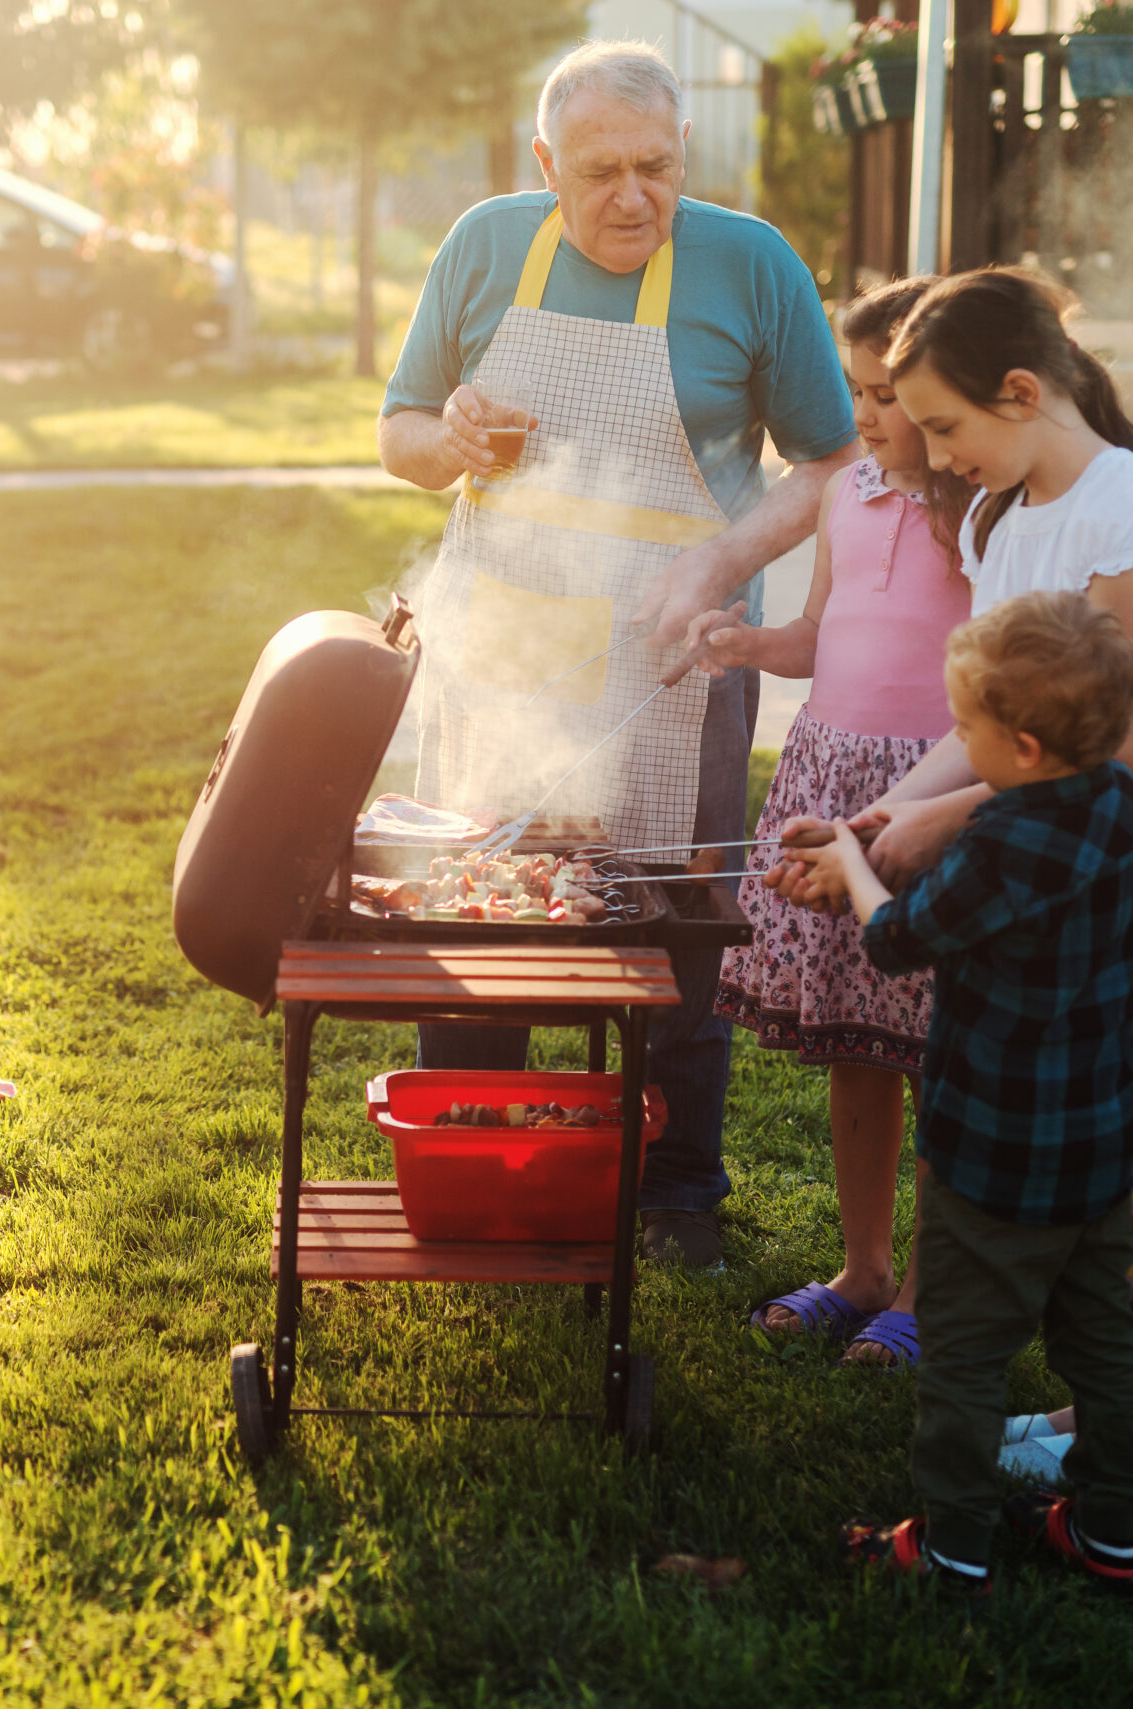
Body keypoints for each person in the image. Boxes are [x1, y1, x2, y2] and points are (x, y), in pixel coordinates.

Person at [377, 37, 861, 1268]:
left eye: (655, 166)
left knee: (675, 910)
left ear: (683, 152)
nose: (632, 197)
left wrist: (719, 562)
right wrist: (452, 439)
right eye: (599, 173)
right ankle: (479, 1146)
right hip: (504, 643)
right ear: (546, 164)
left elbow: (832, 462)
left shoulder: (750, 266)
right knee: (480, 892)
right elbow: (399, 430)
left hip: (673, 650)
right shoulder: (487, 244)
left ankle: (678, 1181)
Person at [842, 267, 1133, 1489]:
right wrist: (902, 802)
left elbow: (1119, 754)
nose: (928, 452)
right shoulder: (1005, 510)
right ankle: (1108, 1403)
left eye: (942, 425)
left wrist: (945, 823)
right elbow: (997, 716)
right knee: (1087, 1106)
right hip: (1058, 819)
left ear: (1022, 391)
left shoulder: (1122, 506)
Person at [789, 590, 1133, 1593]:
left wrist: (856, 863)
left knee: (961, 1352)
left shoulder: (997, 845)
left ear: (1025, 746)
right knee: (1104, 1344)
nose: (955, 742)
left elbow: (893, 937)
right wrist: (879, 830)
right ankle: (1109, 1528)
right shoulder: (1122, 802)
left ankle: (947, 1541)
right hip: (1095, 1141)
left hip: (990, 1149)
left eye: (966, 728)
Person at [695, 277, 972, 1367]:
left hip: (931, 796)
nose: (862, 413)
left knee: (939, 1046)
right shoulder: (842, 493)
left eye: (885, 393)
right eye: (854, 389)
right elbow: (819, 629)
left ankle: (925, 1289)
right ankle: (860, 1265)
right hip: (831, 773)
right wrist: (746, 644)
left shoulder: (979, 507)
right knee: (858, 1045)